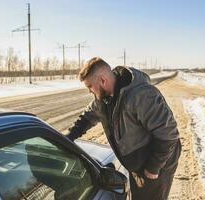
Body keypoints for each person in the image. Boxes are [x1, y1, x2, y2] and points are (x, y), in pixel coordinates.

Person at [66, 57, 181, 200]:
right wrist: (68, 137)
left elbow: (169, 135)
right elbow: (87, 117)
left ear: (102, 80)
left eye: (90, 86)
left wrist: (153, 168)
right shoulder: (103, 99)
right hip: (138, 166)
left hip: (158, 163)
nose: (90, 91)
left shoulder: (142, 95)